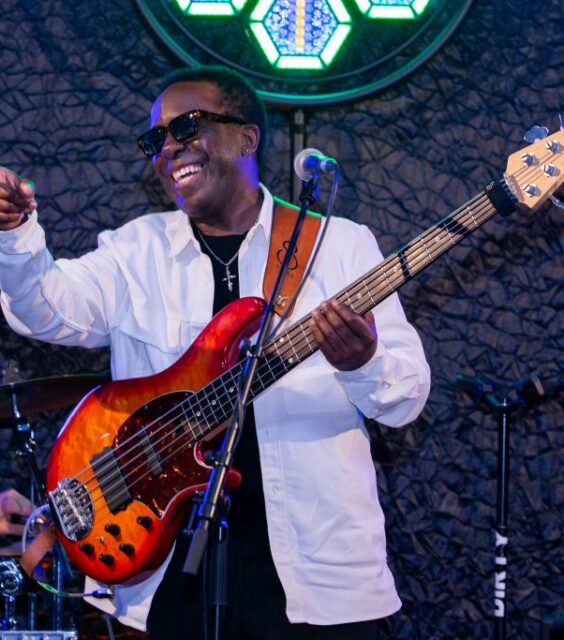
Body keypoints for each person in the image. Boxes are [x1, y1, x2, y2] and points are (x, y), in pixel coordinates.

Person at [0, 65, 430, 639]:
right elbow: (45, 308)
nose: (168, 149)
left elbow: (406, 398)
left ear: (246, 138)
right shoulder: (136, 250)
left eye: (187, 127)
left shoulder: (339, 245)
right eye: (156, 139)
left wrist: (362, 362)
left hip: (317, 576)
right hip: (170, 570)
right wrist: (15, 235)